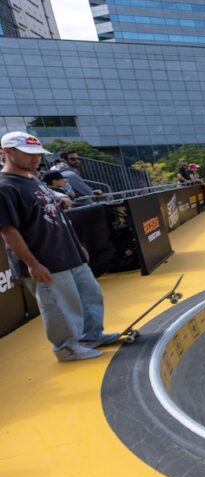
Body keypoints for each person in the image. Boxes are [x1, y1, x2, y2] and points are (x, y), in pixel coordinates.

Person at [0, 132, 119, 361]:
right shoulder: (5, 187)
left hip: (68, 252)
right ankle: (66, 348)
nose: (36, 160)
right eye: (29, 154)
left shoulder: (32, 179)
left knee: (89, 295)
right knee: (59, 307)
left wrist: (77, 245)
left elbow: (56, 214)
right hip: (44, 259)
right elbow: (8, 231)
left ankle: (91, 336)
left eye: (38, 154)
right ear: (8, 153)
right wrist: (33, 264)